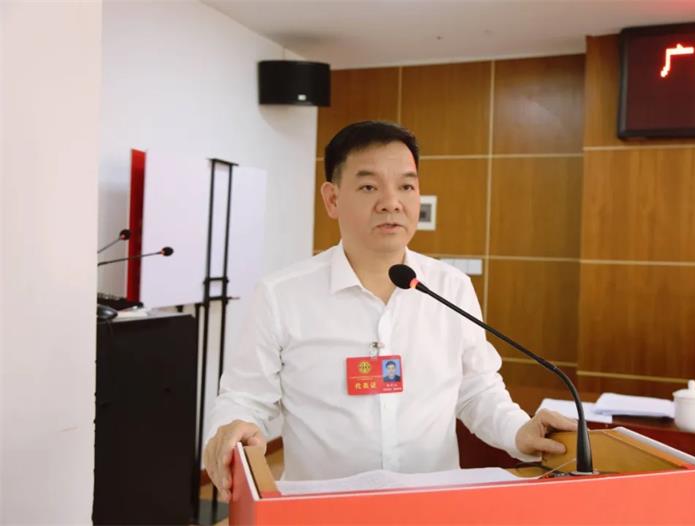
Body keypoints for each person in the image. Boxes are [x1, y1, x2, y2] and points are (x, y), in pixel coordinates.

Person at [204, 121, 576, 498]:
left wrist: (518, 431)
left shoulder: (450, 287)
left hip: (432, 507)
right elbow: (244, 398)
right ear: (332, 199)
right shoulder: (282, 295)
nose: (391, 202)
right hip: (323, 509)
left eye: (406, 186)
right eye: (369, 187)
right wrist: (234, 427)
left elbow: (477, 389)